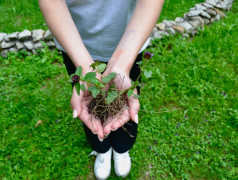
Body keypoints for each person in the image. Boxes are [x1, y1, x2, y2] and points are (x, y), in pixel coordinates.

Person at [39, 0, 164, 179]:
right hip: (74, 42)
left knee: (124, 102)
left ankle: (122, 148)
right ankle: (101, 148)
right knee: (89, 103)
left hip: (131, 40)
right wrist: (84, 66)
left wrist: (122, 62)